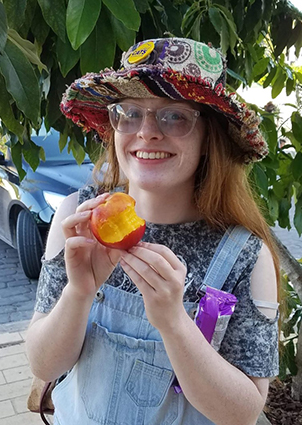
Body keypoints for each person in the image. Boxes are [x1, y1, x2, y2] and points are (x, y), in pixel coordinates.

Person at [26, 37, 279, 425]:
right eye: (129, 113)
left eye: (174, 116)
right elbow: (43, 364)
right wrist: (78, 293)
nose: (146, 132)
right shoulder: (77, 215)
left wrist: (175, 324)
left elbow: (244, 412)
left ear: (209, 137)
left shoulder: (245, 254)